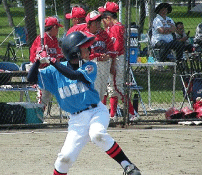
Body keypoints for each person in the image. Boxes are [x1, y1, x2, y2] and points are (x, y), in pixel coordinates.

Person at [27, 31, 141, 175]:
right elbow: (30, 78)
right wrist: (38, 60)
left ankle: (128, 166)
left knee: (97, 134)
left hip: (96, 112)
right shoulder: (53, 71)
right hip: (76, 120)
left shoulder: (90, 66)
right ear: (74, 52)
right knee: (65, 159)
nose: (89, 50)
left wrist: (52, 60)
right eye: (84, 48)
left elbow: (73, 75)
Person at [99, 1, 140, 122]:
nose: (102, 22)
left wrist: (112, 64)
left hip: (116, 60)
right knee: (111, 88)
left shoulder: (116, 28)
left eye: (103, 19)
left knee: (117, 88)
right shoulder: (113, 27)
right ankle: (112, 115)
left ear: (108, 17)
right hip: (115, 59)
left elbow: (115, 49)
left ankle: (133, 113)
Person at [66, 10, 115, 102]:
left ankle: (97, 110)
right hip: (89, 64)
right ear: (89, 23)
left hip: (103, 65)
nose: (97, 24)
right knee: (92, 90)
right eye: (95, 22)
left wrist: (107, 56)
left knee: (102, 91)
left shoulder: (103, 34)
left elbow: (111, 50)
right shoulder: (82, 32)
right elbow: (68, 44)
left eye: (98, 21)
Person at [30, 16, 64, 112]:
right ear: (53, 27)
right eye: (57, 27)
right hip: (39, 70)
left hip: (50, 70)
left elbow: (58, 55)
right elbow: (40, 58)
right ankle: (38, 116)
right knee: (44, 95)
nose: (58, 30)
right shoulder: (42, 38)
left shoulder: (54, 39)